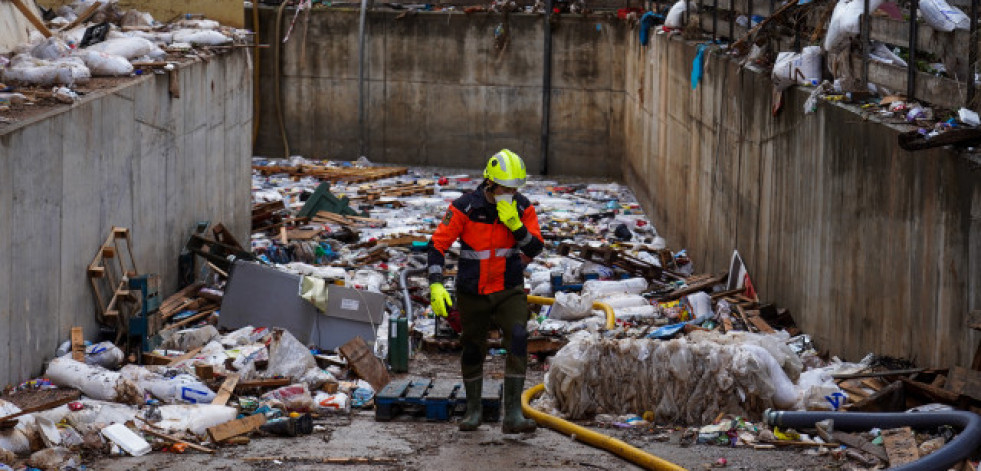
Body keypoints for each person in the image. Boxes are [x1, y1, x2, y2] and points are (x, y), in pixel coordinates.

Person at [427, 149, 544, 433]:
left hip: (508, 288)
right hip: (473, 291)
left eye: (515, 188)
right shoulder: (465, 207)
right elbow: (437, 245)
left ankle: (513, 414)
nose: (511, 193)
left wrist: (515, 226)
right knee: (472, 347)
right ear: (490, 183)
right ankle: (473, 410)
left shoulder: (522, 208)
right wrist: (436, 283)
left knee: (518, 336)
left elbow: (535, 248)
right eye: (506, 188)